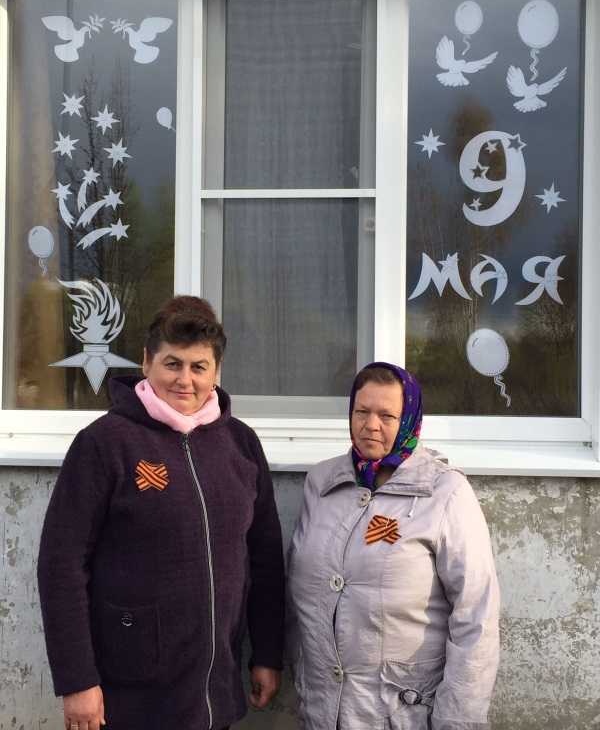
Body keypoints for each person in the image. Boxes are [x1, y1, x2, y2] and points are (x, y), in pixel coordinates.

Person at [38, 296, 285, 730]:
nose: (185, 380)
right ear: (146, 362)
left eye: (199, 367)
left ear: (216, 371)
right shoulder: (104, 443)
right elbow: (61, 565)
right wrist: (77, 680)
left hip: (216, 694)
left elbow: (264, 558)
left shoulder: (241, 444)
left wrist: (266, 653)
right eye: (172, 364)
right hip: (130, 696)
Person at [287, 361, 499, 730]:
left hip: (400, 714)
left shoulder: (445, 492)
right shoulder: (321, 483)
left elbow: (476, 615)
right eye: (362, 412)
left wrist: (457, 720)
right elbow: (299, 594)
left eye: (387, 415)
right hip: (322, 712)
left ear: (409, 420)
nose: (371, 425)